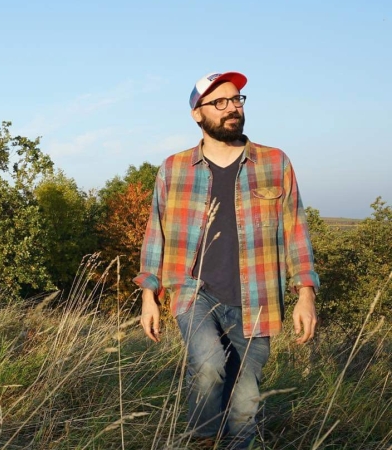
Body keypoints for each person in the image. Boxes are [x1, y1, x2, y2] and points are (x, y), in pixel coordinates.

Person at [136, 72, 319, 448]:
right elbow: (156, 234)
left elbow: (295, 232)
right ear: (197, 114)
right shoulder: (174, 168)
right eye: (219, 102)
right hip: (194, 292)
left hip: (258, 300)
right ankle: (203, 440)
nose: (232, 108)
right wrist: (148, 296)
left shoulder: (274, 163)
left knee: (245, 402)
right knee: (209, 366)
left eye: (236, 99)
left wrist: (306, 293)